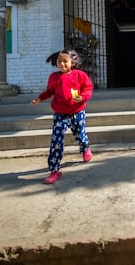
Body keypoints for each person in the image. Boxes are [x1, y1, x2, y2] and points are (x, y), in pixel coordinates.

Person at [32, 48, 94, 184]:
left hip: (77, 112)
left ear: (73, 62)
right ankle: (54, 170)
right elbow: (50, 91)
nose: (62, 64)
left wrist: (82, 97)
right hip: (60, 114)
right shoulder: (54, 77)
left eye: (65, 61)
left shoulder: (80, 75)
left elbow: (88, 89)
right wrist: (40, 98)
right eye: (59, 61)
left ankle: (85, 148)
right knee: (56, 141)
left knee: (80, 134)